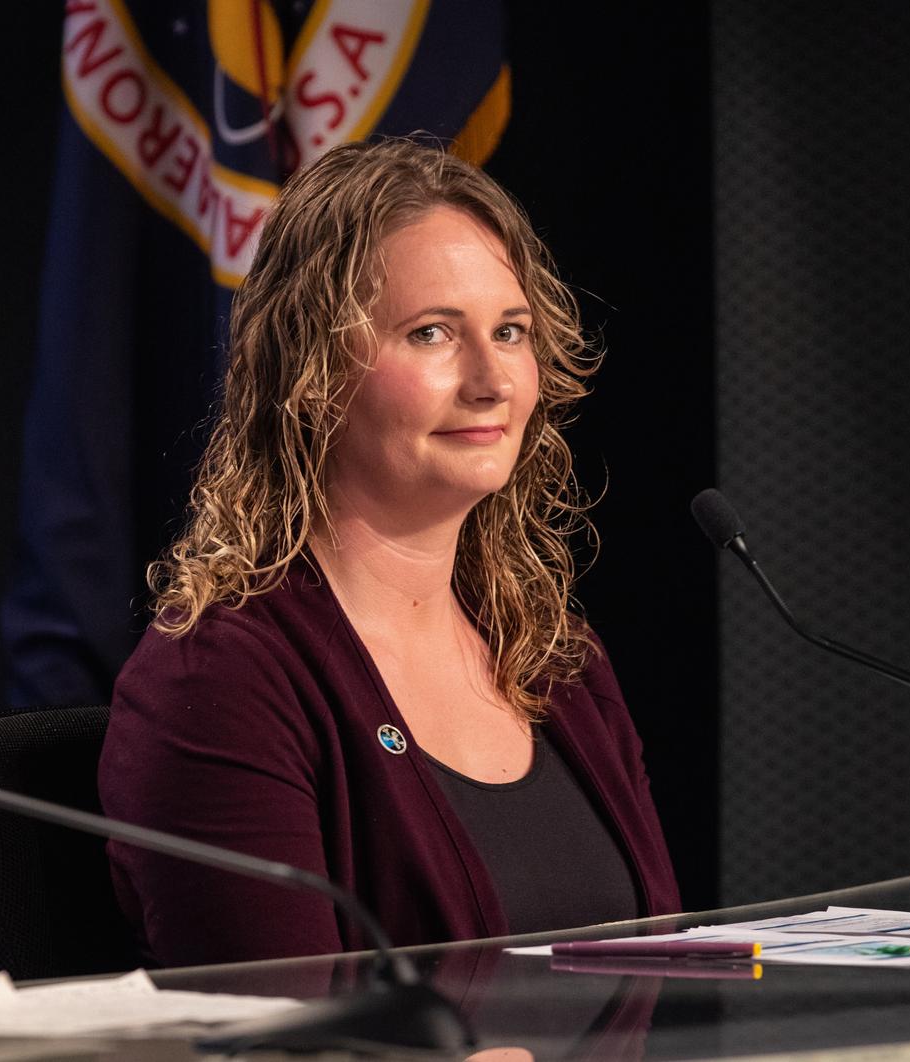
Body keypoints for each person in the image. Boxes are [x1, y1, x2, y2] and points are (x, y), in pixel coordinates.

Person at [98, 138, 680, 967]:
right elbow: (278, 1039)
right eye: (433, 332)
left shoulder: (559, 663)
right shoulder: (221, 680)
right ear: (311, 371)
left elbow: (663, 985)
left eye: (510, 331)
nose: (492, 380)